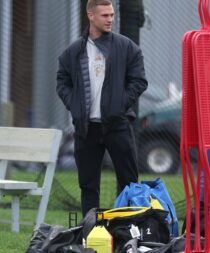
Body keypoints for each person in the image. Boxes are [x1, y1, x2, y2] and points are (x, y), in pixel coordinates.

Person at [56, 0, 148, 216]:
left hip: (118, 125)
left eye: (112, 15)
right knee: (88, 186)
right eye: (105, 15)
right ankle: (91, 233)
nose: (110, 20)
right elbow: (62, 82)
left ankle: (129, 232)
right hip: (87, 129)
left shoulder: (127, 47)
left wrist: (119, 104)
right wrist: (75, 106)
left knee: (129, 183)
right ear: (91, 15)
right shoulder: (73, 51)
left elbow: (139, 81)